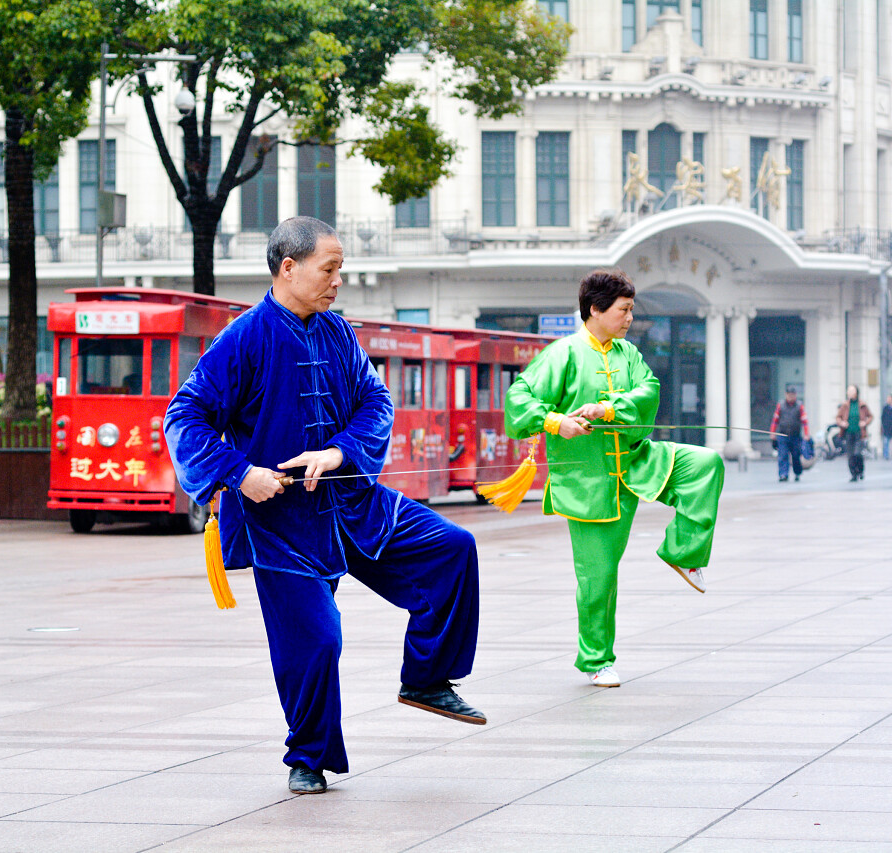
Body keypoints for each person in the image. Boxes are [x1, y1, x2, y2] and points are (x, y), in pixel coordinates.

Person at [163, 217, 484, 796]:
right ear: (289, 267)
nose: (339, 281)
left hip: (354, 505)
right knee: (317, 638)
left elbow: (375, 401)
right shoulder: (243, 338)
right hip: (279, 524)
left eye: (341, 271)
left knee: (453, 550)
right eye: (330, 270)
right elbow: (183, 418)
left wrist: (340, 451)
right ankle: (307, 757)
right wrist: (241, 475)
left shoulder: (338, 334)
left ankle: (428, 679)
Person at [504, 269, 724, 689]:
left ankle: (683, 551)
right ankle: (596, 660)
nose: (629, 319)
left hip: (639, 462)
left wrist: (610, 409)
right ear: (595, 309)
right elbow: (519, 399)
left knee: (705, 465)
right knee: (598, 579)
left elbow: (649, 389)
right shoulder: (562, 354)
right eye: (624, 310)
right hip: (589, 485)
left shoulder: (628, 354)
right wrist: (555, 421)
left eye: (630, 310)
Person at [769, 385, 810, 482]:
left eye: (793, 395)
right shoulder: (781, 405)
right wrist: (772, 433)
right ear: (786, 394)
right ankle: (783, 474)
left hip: (795, 436)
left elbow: (804, 421)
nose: (791, 397)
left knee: (796, 455)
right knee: (782, 455)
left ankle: (797, 472)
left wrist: (806, 434)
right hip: (783, 435)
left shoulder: (800, 406)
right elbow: (775, 420)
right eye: (789, 395)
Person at [836, 384, 874, 482]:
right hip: (848, 433)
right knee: (850, 455)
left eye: (851, 391)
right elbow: (838, 417)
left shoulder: (862, 405)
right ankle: (853, 474)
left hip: (860, 433)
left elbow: (870, 416)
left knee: (858, 453)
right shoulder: (845, 405)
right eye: (848, 391)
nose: (849, 393)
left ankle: (860, 471)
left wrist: (864, 422)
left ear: (856, 392)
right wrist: (842, 423)